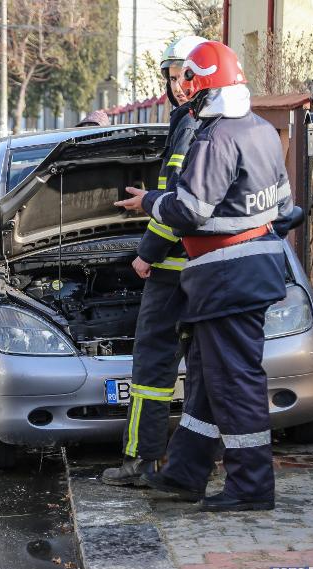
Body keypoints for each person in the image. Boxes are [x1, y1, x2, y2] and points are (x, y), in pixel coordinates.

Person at [115, 41, 292, 512]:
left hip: (226, 279)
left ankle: (251, 488)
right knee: (212, 382)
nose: (181, 89)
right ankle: (185, 475)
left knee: (234, 383)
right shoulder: (262, 131)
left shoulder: (216, 138)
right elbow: (288, 209)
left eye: (186, 80)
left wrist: (148, 202)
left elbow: (189, 210)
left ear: (201, 85)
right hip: (253, 269)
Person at [101, 36, 207, 486]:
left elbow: (179, 203)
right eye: (171, 75)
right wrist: (147, 202)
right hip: (206, 270)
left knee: (151, 370)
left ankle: (142, 461)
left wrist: (146, 254)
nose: (178, 84)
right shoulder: (208, 121)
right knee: (204, 370)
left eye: (185, 73)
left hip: (171, 271)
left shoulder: (189, 124)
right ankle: (196, 460)